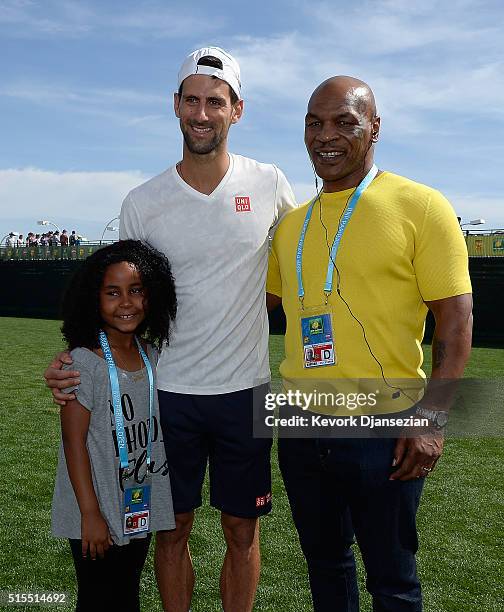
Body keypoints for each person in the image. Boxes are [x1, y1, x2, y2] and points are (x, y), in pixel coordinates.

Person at [44, 46, 296, 612]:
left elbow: (291, 270)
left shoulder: (271, 183)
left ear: (238, 110)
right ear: (175, 106)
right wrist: (72, 360)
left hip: (245, 392)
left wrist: (245, 311)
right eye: (191, 100)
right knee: (171, 527)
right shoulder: (143, 201)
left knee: (241, 530)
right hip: (167, 394)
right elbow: (118, 298)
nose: (201, 113)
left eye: (215, 101)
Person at [266, 76, 473, 611]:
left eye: (343, 121)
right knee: (326, 569)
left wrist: (432, 419)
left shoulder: (420, 205)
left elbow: (455, 321)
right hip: (303, 425)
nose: (324, 135)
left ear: (374, 127)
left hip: (385, 427)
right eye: (314, 123)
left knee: (393, 579)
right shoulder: (290, 225)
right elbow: (251, 308)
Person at [51, 239, 177, 612]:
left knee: (126, 594)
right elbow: (73, 445)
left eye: (136, 291)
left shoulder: (151, 353)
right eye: (112, 292)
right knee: (97, 598)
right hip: (95, 505)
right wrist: (90, 513)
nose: (126, 303)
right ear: (94, 298)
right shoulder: (82, 363)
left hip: (136, 502)